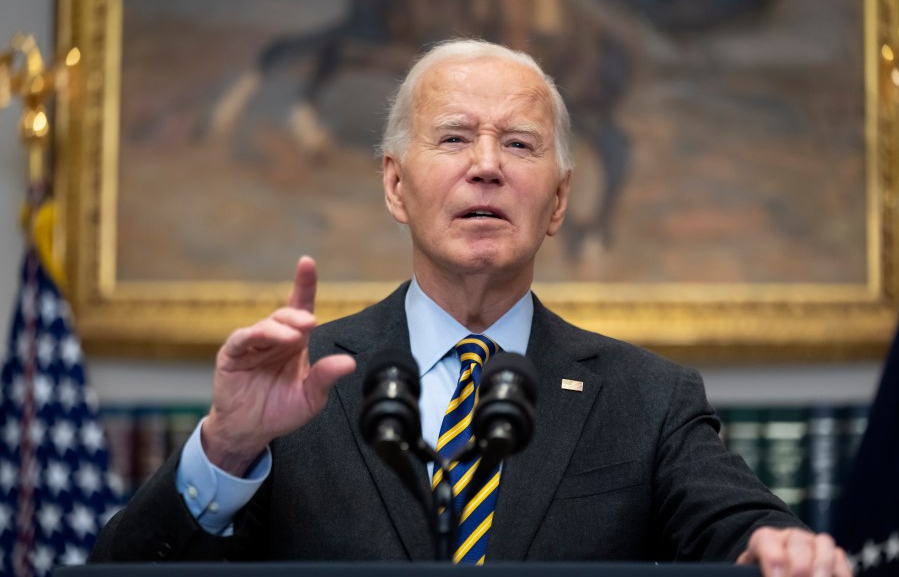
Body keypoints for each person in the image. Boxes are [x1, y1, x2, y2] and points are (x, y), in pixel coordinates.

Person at [90, 39, 850, 576]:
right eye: (453, 138)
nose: (485, 166)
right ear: (395, 185)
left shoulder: (645, 398)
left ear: (557, 203)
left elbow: (734, 523)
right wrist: (224, 448)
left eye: (518, 145)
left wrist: (775, 541)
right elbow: (121, 575)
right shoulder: (299, 382)